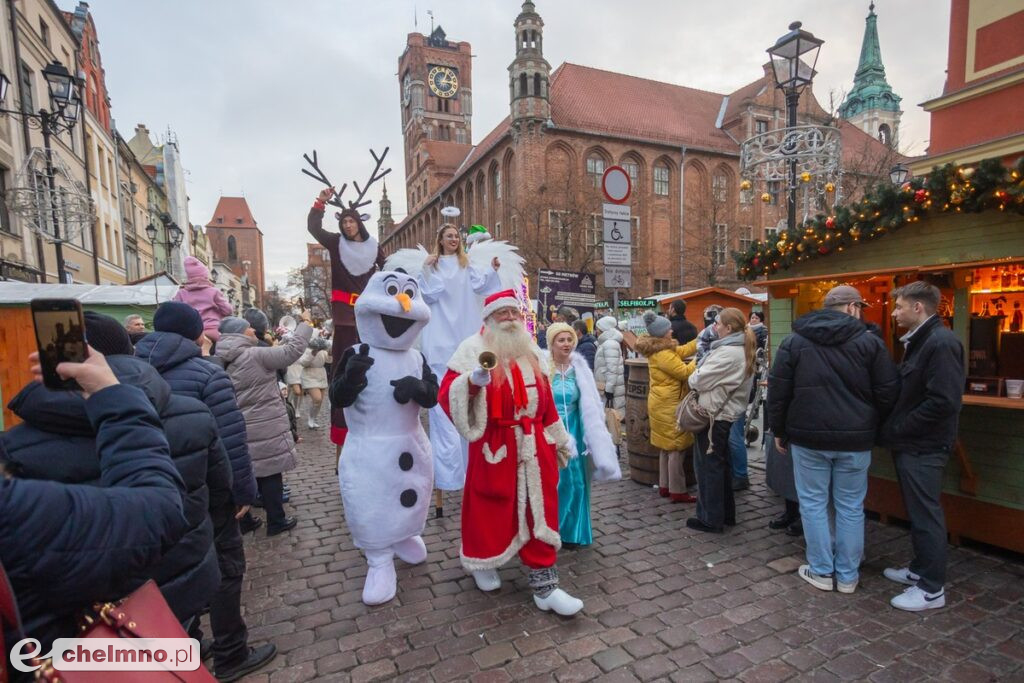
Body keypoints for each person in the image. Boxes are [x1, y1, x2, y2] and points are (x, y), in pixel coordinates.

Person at [3, 344, 228, 629]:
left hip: (93, 620)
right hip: (178, 582)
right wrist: (111, 394)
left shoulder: (14, 447)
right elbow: (169, 507)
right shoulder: (191, 407)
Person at [133, 303, 277, 679]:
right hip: (208, 489)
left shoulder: (131, 371)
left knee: (175, 570)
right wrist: (243, 492)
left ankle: (190, 646)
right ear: (197, 333)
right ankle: (231, 652)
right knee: (226, 568)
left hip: (155, 491)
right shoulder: (207, 374)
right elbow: (230, 438)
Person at [439, 290, 584, 615]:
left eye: (513, 312)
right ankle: (483, 561)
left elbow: (546, 404)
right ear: (489, 317)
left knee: (540, 511)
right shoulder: (471, 349)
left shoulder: (530, 350)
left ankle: (545, 586)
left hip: (534, 447)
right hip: (495, 447)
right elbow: (446, 394)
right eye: (501, 313)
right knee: (490, 510)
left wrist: (560, 439)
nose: (509, 318)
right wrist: (472, 382)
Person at [766, 285, 900, 594]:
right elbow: (888, 392)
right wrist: (872, 425)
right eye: (860, 308)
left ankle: (822, 570)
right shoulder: (870, 343)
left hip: (808, 437)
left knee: (813, 504)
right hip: (855, 439)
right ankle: (848, 576)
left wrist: (779, 430)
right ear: (852, 307)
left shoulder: (795, 341)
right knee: (851, 506)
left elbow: (778, 391)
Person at [329, 271, 438, 605]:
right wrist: (352, 378)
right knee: (371, 503)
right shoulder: (357, 351)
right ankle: (379, 559)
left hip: (410, 443)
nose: (402, 303)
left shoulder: (416, 357)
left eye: (408, 295)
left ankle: (403, 535)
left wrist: (418, 388)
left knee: (412, 497)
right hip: (370, 449)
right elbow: (338, 398)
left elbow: (432, 396)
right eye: (392, 293)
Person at [881, 280, 965, 611]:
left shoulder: (940, 343)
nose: (894, 312)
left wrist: (900, 427)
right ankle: (920, 570)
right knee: (918, 512)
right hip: (914, 443)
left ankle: (931, 589)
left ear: (918, 307)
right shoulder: (923, 340)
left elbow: (943, 402)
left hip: (923, 445)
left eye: (899, 306)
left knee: (926, 515)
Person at [418, 224, 500, 511]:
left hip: (465, 340)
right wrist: (427, 269)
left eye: (456, 236)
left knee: (470, 405)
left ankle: (472, 472)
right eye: (449, 236)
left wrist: (493, 269)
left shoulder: (468, 265)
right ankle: (447, 477)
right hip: (440, 342)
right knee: (442, 413)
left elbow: (483, 285)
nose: (453, 239)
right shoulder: (431, 265)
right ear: (440, 239)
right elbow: (428, 294)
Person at [217, 314, 313, 536]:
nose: (253, 331)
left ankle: (245, 521)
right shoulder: (255, 354)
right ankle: (276, 520)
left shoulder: (219, 355)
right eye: (248, 328)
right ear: (239, 333)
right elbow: (291, 351)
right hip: (265, 423)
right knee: (270, 472)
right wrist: (305, 324)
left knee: (246, 470)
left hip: (238, 423)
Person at [308, 187, 386, 449]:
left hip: (369, 314)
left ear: (359, 223)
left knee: (374, 365)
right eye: (344, 222)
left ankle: (374, 416)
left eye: (352, 221)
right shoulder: (336, 243)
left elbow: (389, 270)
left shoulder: (374, 247)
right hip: (344, 316)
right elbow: (314, 228)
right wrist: (320, 202)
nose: (348, 225)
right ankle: (342, 423)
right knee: (342, 368)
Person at [545, 323, 622, 547]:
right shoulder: (542, 368)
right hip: (549, 431)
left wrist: (593, 434)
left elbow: (591, 404)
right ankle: (548, 530)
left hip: (575, 431)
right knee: (552, 482)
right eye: (561, 340)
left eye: (570, 339)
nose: (566, 344)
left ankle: (572, 532)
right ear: (551, 343)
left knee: (576, 481)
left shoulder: (579, 368)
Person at [686, 308, 755, 533]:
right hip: (723, 413)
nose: (715, 327)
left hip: (714, 415)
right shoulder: (739, 348)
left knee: (709, 467)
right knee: (720, 465)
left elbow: (697, 379)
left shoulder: (728, 352)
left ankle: (710, 518)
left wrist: (695, 375)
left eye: (718, 323)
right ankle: (725, 514)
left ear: (729, 327)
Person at [635, 311, 699, 503]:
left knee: (665, 447)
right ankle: (678, 491)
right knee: (676, 447)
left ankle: (665, 486)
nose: (672, 331)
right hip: (669, 405)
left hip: (661, 403)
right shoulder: (663, 354)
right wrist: (701, 357)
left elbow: (682, 351)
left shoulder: (660, 349)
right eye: (668, 329)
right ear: (662, 333)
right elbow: (685, 372)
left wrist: (700, 341)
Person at [173, 255, 234, 342]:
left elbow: (176, 314)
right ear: (205, 276)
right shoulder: (214, 292)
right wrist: (219, 313)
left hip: (192, 334)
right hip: (213, 330)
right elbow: (228, 310)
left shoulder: (181, 293)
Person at [593, 316, 626, 414]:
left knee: (612, 416)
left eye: (598, 328)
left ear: (604, 329)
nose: (596, 331)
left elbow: (612, 369)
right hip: (605, 386)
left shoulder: (609, 344)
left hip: (608, 388)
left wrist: (609, 390)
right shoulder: (606, 343)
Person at [299, 335, 330, 429]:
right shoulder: (306, 350)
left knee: (319, 402)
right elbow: (303, 363)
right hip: (309, 375)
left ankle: (313, 418)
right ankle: (310, 418)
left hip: (321, 375)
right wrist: (313, 353)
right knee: (317, 398)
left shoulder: (323, 351)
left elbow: (329, 360)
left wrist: (330, 352)